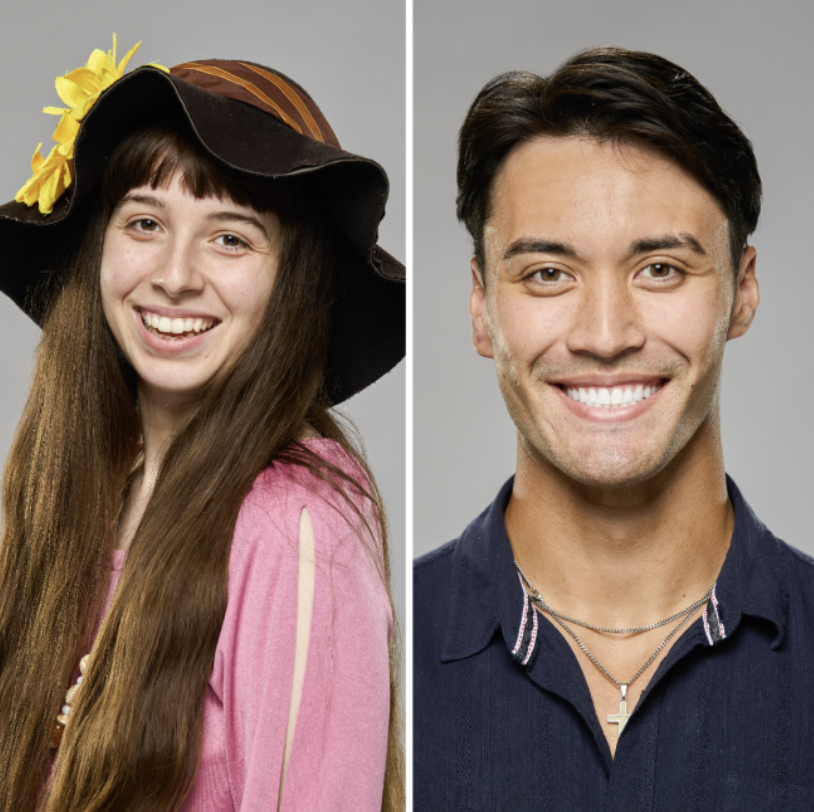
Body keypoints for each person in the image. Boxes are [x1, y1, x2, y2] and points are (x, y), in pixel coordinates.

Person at [0, 38, 405, 812]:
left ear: (291, 281)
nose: (176, 275)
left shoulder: (292, 527)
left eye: (230, 237)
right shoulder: (77, 491)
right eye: (145, 222)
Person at [414, 47, 814, 810]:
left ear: (742, 292)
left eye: (660, 268)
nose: (605, 334)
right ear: (480, 308)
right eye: (547, 274)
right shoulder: (384, 642)